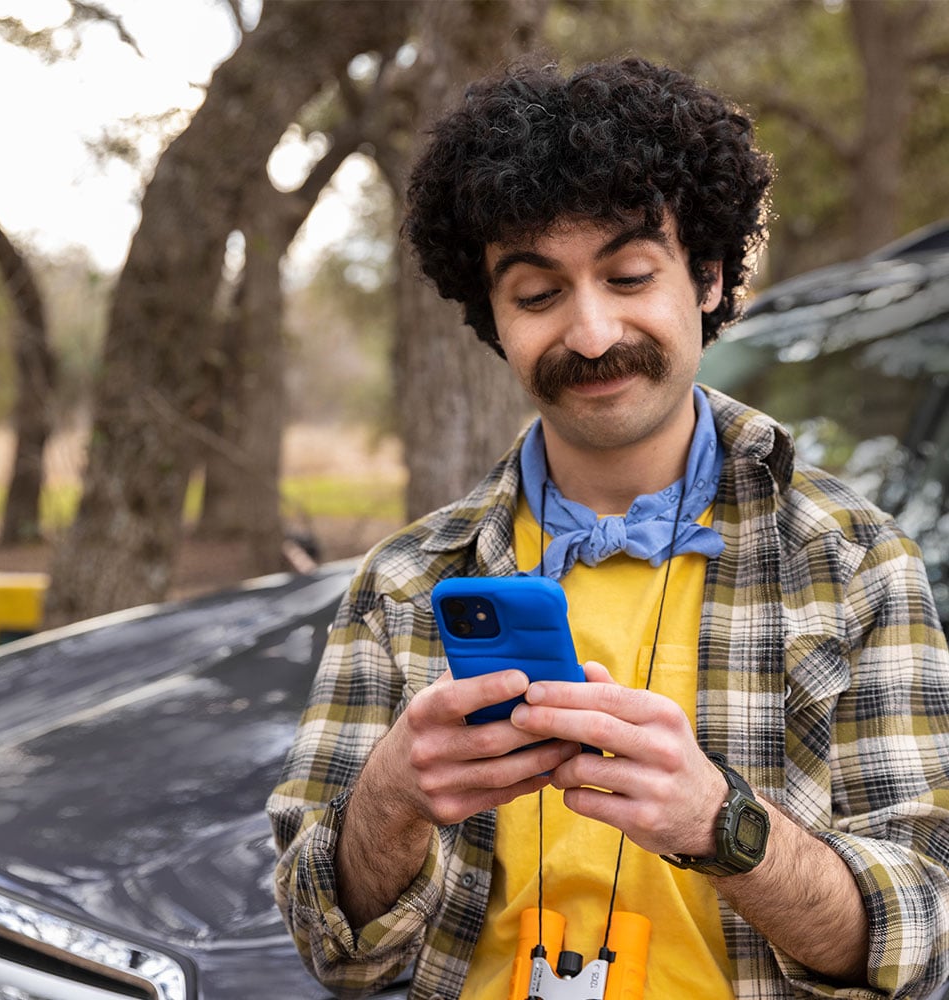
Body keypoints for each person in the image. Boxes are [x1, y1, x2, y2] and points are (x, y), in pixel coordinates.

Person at [267, 57, 949, 1000]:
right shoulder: (406, 583)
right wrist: (390, 796)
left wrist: (722, 824)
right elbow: (331, 946)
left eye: (629, 275)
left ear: (707, 277)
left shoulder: (859, 564)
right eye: (538, 295)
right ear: (494, 319)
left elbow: (917, 939)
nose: (590, 334)